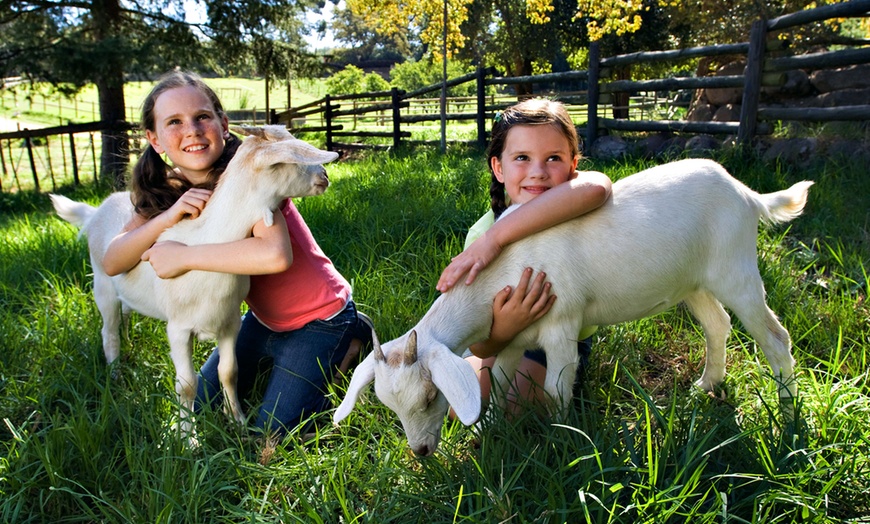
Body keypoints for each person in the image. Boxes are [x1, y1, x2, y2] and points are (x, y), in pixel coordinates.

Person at [102, 70, 370, 436]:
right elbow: (113, 260)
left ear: (223, 124)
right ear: (155, 139)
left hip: (319, 316)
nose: (192, 130)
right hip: (261, 321)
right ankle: (286, 361)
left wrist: (184, 256)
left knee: (273, 433)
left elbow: (276, 256)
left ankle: (352, 339)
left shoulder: (255, 174)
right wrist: (165, 217)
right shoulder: (167, 192)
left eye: (202, 117)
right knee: (204, 406)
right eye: (174, 122)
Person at [437, 98, 612, 416]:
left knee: (516, 410)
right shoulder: (478, 238)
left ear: (573, 165)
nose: (538, 172)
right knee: (457, 404)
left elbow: (598, 187)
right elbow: (482, 344)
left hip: (559, 340)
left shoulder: (569, 207)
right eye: (522, 157)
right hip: (500, 340)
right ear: (498, 167)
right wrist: (505, 327)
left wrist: (497, 239)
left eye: (554, 158)